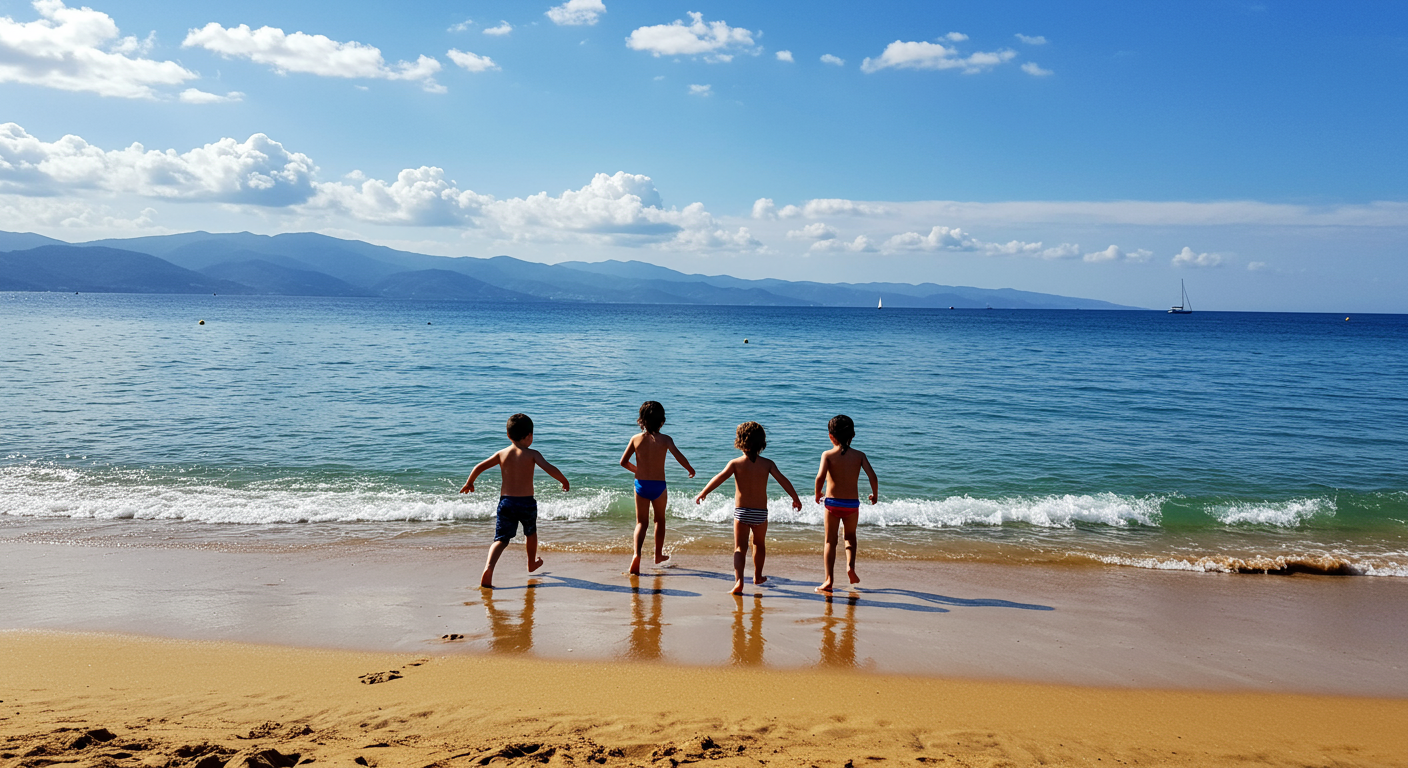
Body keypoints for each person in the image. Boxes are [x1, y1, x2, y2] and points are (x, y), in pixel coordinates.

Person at [460, 413, 569, 589]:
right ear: (530, 436)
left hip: (506, 503)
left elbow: (479, 466)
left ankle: (489, 568)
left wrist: (470, 482)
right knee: (530, 534)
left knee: (501, 540)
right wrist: (563, 481)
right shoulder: (533, 454)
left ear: (508, 435)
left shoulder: (502, 454)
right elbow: (549, 467)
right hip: (526, 503)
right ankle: (531, 563)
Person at [695, 421, 802, 594]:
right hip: (760, 514)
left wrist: (703, 492)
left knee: (739, 548)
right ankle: (758, 576)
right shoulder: (767, 464)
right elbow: (783, 480)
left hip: (742, 512)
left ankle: (739, 582)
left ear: (740, 442)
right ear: (762, 443)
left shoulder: (735, 463)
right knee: (759, 544)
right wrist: (795, 498)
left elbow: (719, 478)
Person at [619, 400, 695, 575]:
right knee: (659, 520)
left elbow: (623, 462)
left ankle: (636, 555)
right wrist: (689, 468)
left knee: (641, 522)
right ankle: (658, 555)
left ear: (642, 421)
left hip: (641, 484)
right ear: (662, 421)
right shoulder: (666, 440)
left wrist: (638, 471)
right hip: (659, 486)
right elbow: (679, 456)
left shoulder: (636, 439)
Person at [813, 414, 878, 593]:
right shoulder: (859, 456)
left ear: (830, 436)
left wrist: (818, 493)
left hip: (832, 503)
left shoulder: (827, 455)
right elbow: (873, 476)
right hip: (851, 505)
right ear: (853, 435)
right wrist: (875, 495)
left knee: (830, 541)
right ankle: (850, 567)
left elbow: (819, 477)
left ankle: (828, 580)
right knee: (850, 537)